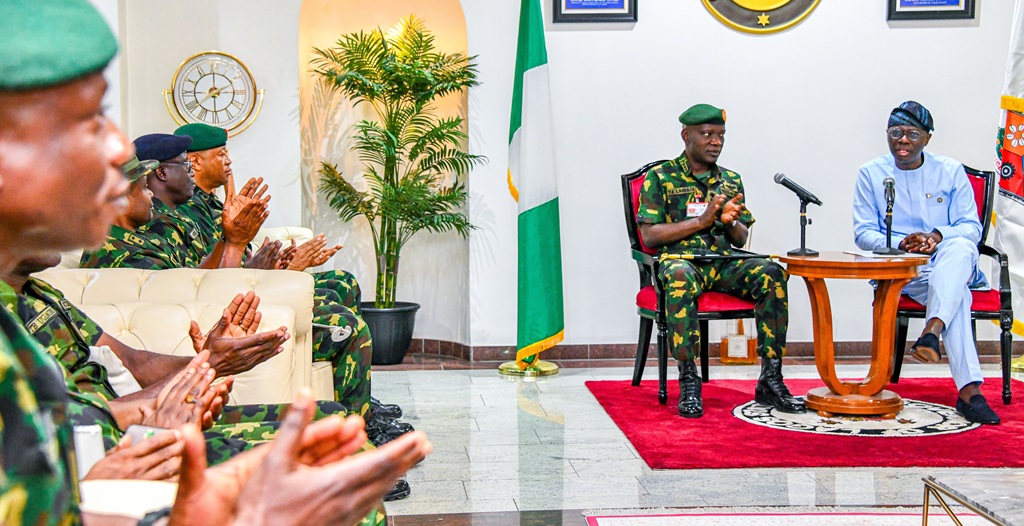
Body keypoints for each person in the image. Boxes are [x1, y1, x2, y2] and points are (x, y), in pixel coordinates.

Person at [0, 0, 429, 524]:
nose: (116, 147)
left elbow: (121, 375)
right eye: (87, 120)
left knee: (333, 447)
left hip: (131, 448)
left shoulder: (31, 294)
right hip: (123, 464)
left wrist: (208, 367)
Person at [636, 103, 805, 418]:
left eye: (721, 135)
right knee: (680, 277)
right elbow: (649, 236)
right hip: (682, 261)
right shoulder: (660, 177)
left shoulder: (730, 179)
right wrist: (701, 222)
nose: (715, 142)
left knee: (772, 273)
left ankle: (771, 379)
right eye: (707, 134)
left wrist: (728, 221)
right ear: (686, 135)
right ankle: (689, 380)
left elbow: (740, 239)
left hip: (722, 261)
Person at [852, 100, 1000, 425]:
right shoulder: (871, 174)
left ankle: (934, 330)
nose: (902, 140)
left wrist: (935, 236)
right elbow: (863, 233)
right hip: (904, 270)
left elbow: (971, 227)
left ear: (927, 138)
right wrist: (900, 243)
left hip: (948, 260)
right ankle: (968, 391)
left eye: (911, 134)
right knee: (955, 293)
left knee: (959, 247)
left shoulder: (949, 170)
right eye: (895, 132)